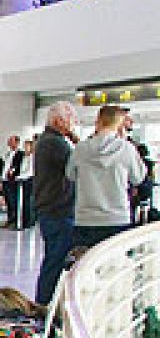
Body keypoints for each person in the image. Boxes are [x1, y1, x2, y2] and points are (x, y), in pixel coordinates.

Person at [66, 103, 146, 256]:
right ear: (119, 124)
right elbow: (138, 178)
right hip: (117, 217)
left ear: (98, 121)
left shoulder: (81, 148)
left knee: (84, 268)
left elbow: (70, 175)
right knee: (116, 268)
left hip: (85, 218)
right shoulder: (126, 148)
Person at [33, 102, 79, 304]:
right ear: (58, 121)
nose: (73, 124)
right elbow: (79, 164)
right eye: (71, 120)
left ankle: (45, 301)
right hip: (58, 210)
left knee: (53, 259)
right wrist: (77, 140)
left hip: (51, 209)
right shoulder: (55, 143)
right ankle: (44, 303)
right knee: (55, 260)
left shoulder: (48, 141)